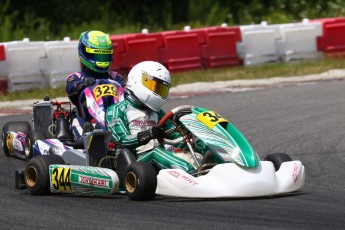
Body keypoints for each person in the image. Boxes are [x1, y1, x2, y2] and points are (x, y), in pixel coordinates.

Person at [106, 61, 208, 174]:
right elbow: (121, 140)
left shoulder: (156, 112)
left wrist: (186, 137)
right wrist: (148, 134)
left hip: (154, 163)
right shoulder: (116, 110)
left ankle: (219, 167)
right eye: (155, 87)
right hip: (133, 163)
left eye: (161, 89)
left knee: (200, 143)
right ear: (139, 81)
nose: (157, 92)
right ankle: (193, 174)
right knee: (157, 153)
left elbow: (173, 133)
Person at [65, 30, 125, 139]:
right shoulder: (76, 77)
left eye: (103, 56)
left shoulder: (116, 77)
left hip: (116, 119)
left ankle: (117, 132)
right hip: (88, 120)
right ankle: (86, 139)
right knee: (75, 122)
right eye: (96, 55)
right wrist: (82, 84)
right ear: (84, 52)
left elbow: (126, 94)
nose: (101, 60)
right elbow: (70, 88)